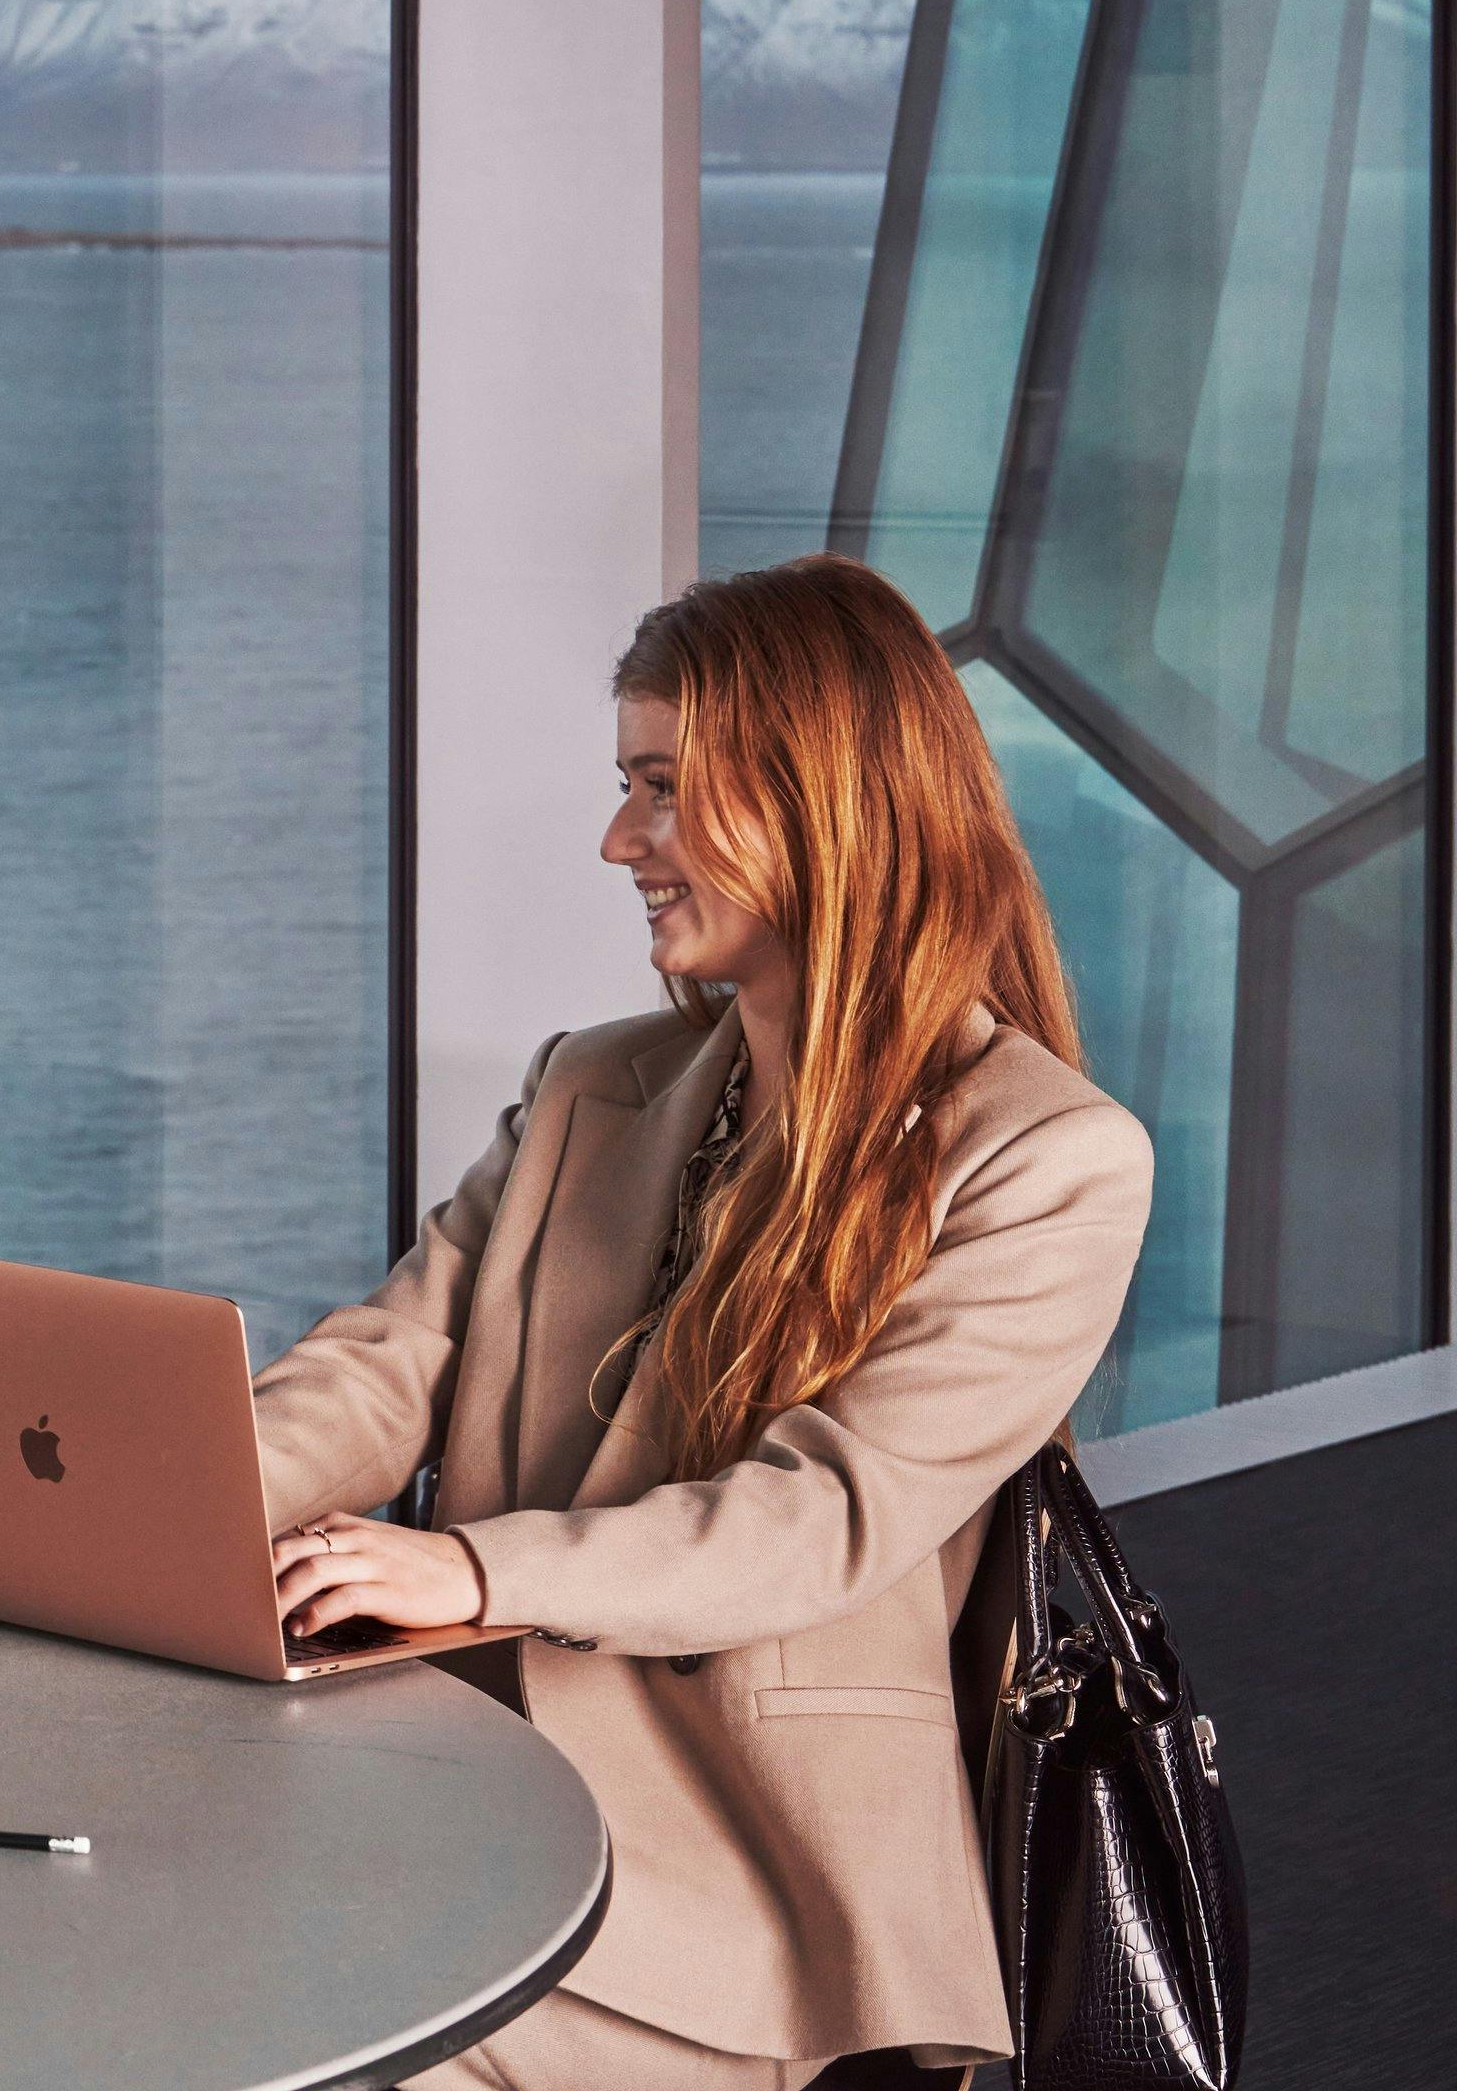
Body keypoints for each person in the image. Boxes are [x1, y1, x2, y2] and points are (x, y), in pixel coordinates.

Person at [257, 556, 1150, 2089]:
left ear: (822, 800)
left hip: (735, 1891)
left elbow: (818, 1520)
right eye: (629, 786)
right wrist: (186, 1490)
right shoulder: (587, 1086)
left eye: (664, 790)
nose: (621, 841)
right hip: (448, 1785)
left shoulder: (1048, 1156)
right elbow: (389, 1361)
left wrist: (468, 1566)